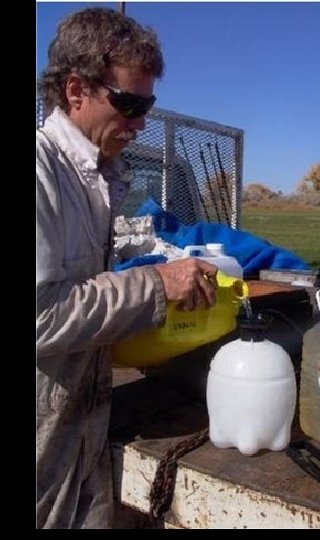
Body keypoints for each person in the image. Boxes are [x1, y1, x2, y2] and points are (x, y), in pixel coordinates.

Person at [36, 8, 218, 528]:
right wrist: (155, 285)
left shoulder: (96, 177)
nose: (140, 123)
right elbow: (41, 316)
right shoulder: (42, 173)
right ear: (76, 91)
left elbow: (87, 294)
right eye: (130, 104)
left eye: (148, 106)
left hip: (80, 445)